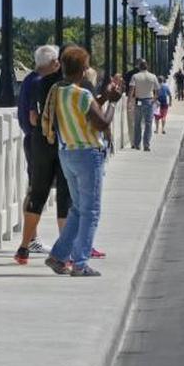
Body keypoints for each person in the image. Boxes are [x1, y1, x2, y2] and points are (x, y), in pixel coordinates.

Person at [44, 46, 122, 277]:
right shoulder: (82, 94)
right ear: (83, 70)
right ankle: (79, 263)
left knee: (78, 209)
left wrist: (104, 96)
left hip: (67, 153)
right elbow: (102, 123)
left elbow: (84, 111)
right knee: (91, 211)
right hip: (87, 154)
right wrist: (114, 103)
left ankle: (58, 256)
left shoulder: (59, 91)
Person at [14, 45, 65, 264]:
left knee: (36, 190)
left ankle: (27, 244)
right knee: (59, 194)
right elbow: (36, 117)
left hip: (34, 142)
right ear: (54, 63)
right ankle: (41, 243)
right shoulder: (42, 83)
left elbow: (28, 117)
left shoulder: (28, 80)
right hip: (47, 143)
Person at [129, 59, 159, 151]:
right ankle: (146, 144)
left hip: (139, 100)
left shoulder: (135, 76)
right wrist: (154, 99)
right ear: (147, 67)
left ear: (139, 67)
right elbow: (157, 90)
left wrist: (130, 101)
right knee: (148, 123)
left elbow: (131, 89)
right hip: (149, 100)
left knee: (137, 122)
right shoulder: (153, 76)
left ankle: (137, 144)